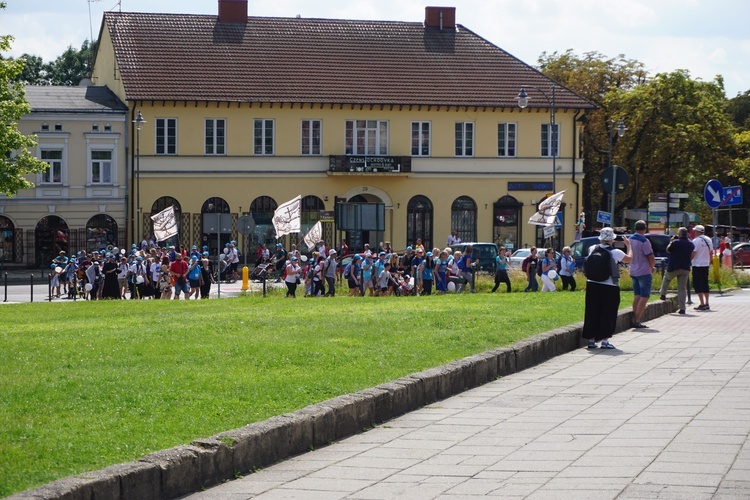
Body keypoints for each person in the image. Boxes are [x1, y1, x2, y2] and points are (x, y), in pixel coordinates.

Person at [582, 227, 632, 349]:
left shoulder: (592, 249)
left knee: (592, 311)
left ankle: (591, 340)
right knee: (608, 313)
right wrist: (629, 245)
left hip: (592, 283)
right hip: (609, 286)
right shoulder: (615, 252)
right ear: (612, 240)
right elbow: (629, 259)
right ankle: (604, 340)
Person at [659, 227, 695, 315]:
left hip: (674, 266)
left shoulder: (675, 242)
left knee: (666, 279)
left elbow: (668, 250)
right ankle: (682, 308)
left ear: (679, 234)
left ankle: (663, 294)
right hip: (685, 267)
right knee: (682, 288)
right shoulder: (691, 244)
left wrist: (671, 241)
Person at [629, 220, 656, 328]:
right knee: (644, 296)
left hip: (633, 270)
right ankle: (637, 320)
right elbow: (650, 256)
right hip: (644, 271)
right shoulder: (644, 241)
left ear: (635, 228)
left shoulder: (630, 239)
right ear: (645, 229)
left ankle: (634, 318)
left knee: (637, 295)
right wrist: (652, 266)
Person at [691, 225, 713, 311]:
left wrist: (689, 260)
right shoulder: (708, 239)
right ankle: (707, 302)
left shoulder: (695, 241)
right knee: (705, 283)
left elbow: (694, 253)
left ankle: (702, 303)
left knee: (698, 284)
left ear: (697, 232)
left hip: (697, 264)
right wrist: (709, 262)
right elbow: (711, 253)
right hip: (705, 264)